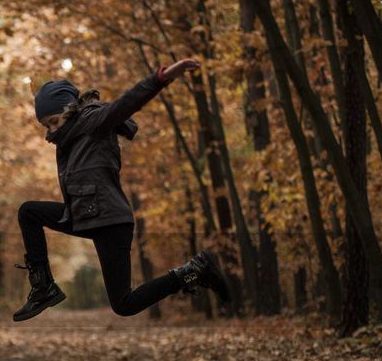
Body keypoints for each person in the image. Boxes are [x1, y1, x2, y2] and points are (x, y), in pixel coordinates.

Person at [13, 59, 230, 321]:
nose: (50, 131)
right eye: (46, 125)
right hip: (85, 216)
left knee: (124, 304)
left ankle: (193, 270)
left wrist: (161, 78)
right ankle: (43, 287)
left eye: (54, 121)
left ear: (69, 110)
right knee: (28, 212)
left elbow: (127, 103)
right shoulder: (67, 140)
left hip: (111, 221)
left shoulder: (93, 121)